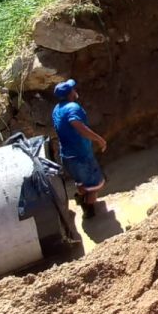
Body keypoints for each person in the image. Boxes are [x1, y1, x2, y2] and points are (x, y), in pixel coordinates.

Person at [51, 79, 107, 218]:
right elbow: (77, 124)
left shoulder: (57, 109)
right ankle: (88, 209)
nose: (75, 91)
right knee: (95, 185)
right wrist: (98, 139)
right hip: (81, 156)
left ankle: (82, 197)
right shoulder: (72, 107)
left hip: (67, 156)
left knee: (81, 182)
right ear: (70, 93)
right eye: (73, 89)